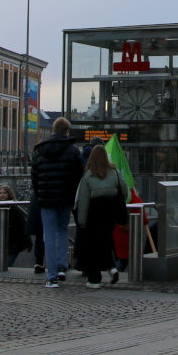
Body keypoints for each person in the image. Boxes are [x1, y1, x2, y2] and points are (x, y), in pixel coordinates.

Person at [31, 116, 83, 288]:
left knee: (49, 234)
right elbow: (78, 176)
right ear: (67, 131)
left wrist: (41, 195)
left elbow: (35, 177)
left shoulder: (39, 150)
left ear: (53, 130)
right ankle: (61, 267)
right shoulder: (73, 151)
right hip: (65, 198)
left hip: (46, 200)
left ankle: (51, 276)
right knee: (62, 230)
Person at [76, 145, 125, 288]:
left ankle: (94, 279)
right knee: (105, 239)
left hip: (95, 211)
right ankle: (112, 267)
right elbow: (124, 190)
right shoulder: (114, 171)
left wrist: (82, 221)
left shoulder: (88, 175)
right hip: (112, 210)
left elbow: (83, 200)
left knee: (93, 245)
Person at [0, 185, 27, 267]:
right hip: (1, 241)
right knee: (2, 263)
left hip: (14, 242)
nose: (2, 195)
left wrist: (28, 242)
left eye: (4, 193)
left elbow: (22, 226)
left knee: (7, 263)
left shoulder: (15, 208)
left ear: (9, 194)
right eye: (0, 193)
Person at [25, 189, 46, 274]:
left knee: (40, 234)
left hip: (38, 198)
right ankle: (60, 265)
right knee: (56, 233)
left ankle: (39, 262)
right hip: (53, 200)